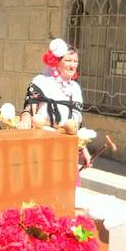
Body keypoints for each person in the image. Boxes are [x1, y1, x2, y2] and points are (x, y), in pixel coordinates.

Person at [19, 38, 91, 167]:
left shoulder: (75, 88)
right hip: (41, 146)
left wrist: (83, 149)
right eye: (68, 60)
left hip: (67, 150)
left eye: (75, 61)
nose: (72, 65)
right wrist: (24, 120)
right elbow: (29, 109)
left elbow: (77, 123)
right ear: (56, 61)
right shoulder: (40, 81)